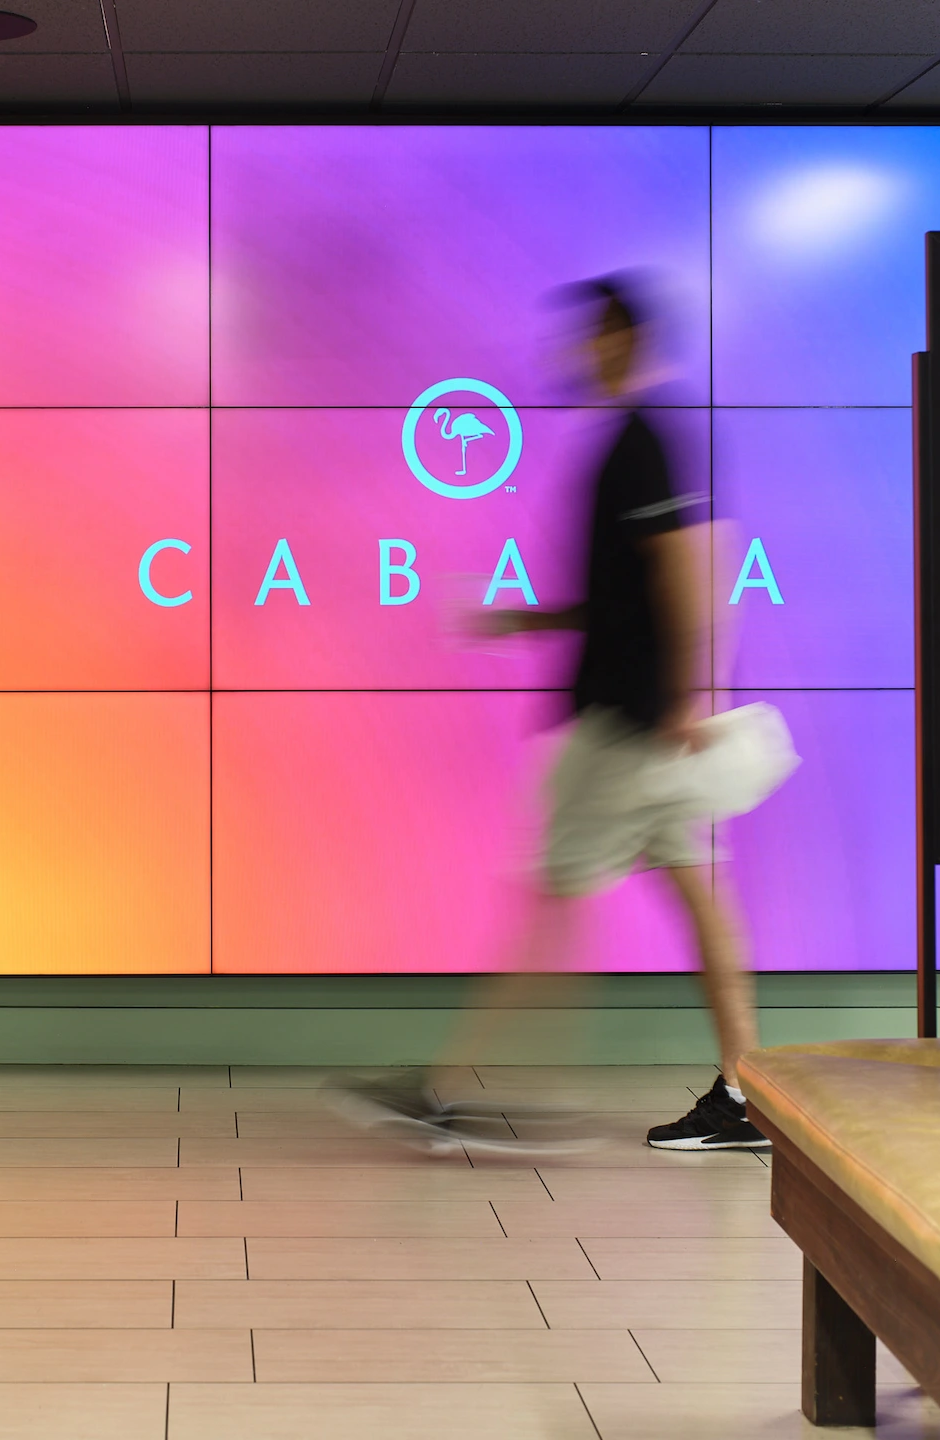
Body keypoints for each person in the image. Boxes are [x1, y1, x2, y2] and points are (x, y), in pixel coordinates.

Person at [333, 277, 767, 1154]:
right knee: (692, 899)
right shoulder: (642, 439)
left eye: (592, 335)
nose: (578, 351)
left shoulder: (639, 442)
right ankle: (745, 1093)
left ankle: (458, 1090)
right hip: (646, 720)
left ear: (623, 338)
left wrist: (689, 694)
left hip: (628, 725)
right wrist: (533, 622)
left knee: (550, 898)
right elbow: (628, 593)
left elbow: (685, 567)